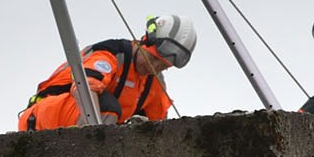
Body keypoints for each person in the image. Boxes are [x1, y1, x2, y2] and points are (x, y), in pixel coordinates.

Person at [16, 14, 196, 130]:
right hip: (42, 117)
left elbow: (160, 125)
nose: (153, 68)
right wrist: (96, 136)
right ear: (144, 41)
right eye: (153, 59)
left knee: (142, 127)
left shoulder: (154, 83)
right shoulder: (112, 54)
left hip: (87, 122)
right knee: (107, 106)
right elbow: (84, 87)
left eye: (162, 66)